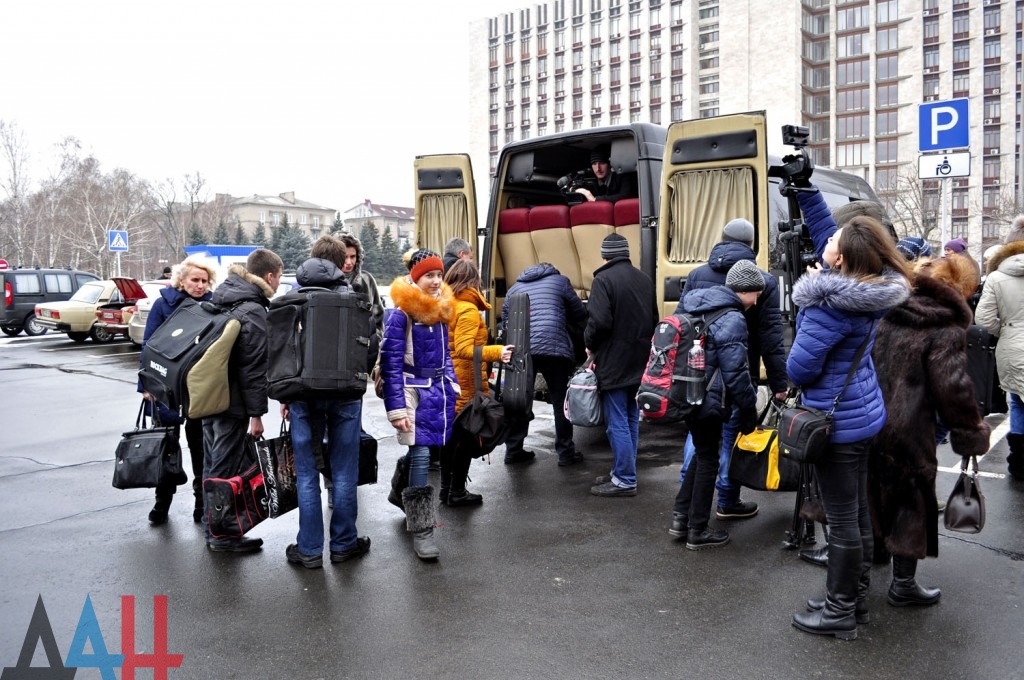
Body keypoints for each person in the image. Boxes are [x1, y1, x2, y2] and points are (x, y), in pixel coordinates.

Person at [787, 185, 911, 640]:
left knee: (843, 521)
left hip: (834, 427)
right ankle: (854, 599)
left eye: (832, 244)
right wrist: (806, 191)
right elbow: (831, 232)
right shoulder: (872, 288)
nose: (826, 242)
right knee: (856, 513)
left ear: (840, 260)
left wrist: (804, 318)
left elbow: (799, 368)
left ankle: (840, 611)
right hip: (862, 416)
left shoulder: (828, 306)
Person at [866, 254, 990, 609]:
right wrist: (970, 431)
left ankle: (876, 552)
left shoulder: (891, 308)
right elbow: (953, 387)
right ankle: (903, 584)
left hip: (872, 414)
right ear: (962, 290)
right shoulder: (945, 327)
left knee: (873, 483)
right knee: (911, 497)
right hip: (910, 425)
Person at [671, 218, 788, 530]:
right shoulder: (763, 282)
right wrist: (779, 383)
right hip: (735, 376)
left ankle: (687, 508)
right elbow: (771, 339)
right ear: (751, 244)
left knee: (699, 443)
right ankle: (724, 502)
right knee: (725, 440)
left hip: (695, 376)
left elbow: (680, 326)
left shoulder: (696, 276)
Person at [279, 237, 371, 569]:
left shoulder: (293, 297)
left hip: (303, 395)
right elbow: (369, 345)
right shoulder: (353, 297)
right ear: (339, 262)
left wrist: (286, 394)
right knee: (344, 471)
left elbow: (281, 350)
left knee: (306, 474)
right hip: (346, 395)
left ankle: (309, 550)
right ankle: (344, 544)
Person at [672, 260, 762, 550]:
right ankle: (697, 531)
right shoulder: (732, 317)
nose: (757, 299)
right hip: (708, 399)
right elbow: (737, 375)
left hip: (685, 392)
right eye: (755, 293)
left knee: (702, 452)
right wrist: (749, 413)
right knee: (710, 459)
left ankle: (679, 520)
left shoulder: (694, 304)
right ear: (743, 290)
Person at [202, 248, 283, 553]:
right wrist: (257, 415)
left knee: (213, 462)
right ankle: (221, 535)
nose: (277, 286)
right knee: (223, 467)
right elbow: (252, 369)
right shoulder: (252, 310)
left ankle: (211, 523)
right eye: (278, 278)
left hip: (211, 397)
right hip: (232, 403)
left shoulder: (224, 296)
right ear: (270, 276)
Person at [381, 248, 458, 559]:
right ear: (416, 278)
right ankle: (423, 528)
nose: (436, 280)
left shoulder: (439, 311)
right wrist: (397, 408)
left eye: (439, 275)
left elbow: (447, 354)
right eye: (429, 275)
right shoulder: (401, 314)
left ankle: (399, 490)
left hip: (438, 391)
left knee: (426, 449)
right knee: (422, 452)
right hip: (413, 392)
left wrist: (452, 381)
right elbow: (390, 363)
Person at [139, 255, 218, 525]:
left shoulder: (212, 306)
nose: (200, 285)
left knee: (201, 448)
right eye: (194, 280)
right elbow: (149, 345)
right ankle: (163, 503)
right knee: (166, 447)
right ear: (181, 280)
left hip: (198, 389)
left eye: (204, 281)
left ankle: (201, 503)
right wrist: (146, 386)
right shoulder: (163, 305)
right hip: (165, 388)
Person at [585, 234, 658, 496]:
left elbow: (599, 322)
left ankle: (625, 479)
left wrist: (589, 343)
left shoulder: (602, 280)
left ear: (605, 255)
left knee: (616, 421)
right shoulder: (644, 280)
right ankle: (624, 470)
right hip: (639, 360)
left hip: (614, 361)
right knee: (630, 418)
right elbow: (654, 320)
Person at [318, 233, 385, 505]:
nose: (348, 262)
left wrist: (373, 346)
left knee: (351, 425)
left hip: (358, 363)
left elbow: (377, 316)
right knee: (327, 429)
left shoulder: (365, 280)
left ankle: (348, 480)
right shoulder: (323, 281)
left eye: (353, 256)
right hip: (328, 365)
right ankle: (334, 484)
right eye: (344, 256)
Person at [501, 262, 589, 466]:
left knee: (520, 399)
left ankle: (513, 450)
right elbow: (580, 314)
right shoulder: (560, 281)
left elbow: (506, 320)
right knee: (560, 401)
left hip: (522, 351)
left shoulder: (514, 288)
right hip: (553, 347)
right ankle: (566, 453)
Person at [442, 259, 513, 504]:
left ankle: (445, 488)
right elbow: (463, 349)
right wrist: (497, 352)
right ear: (473, 282)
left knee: (451, 438)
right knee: (465, 437)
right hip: (466, 382)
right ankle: (457, 492)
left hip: (449, 379)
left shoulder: (446, 304)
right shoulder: (468, 310)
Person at [975, 216, 1024, 480]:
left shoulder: (996, 276)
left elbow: (983, 320)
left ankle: (1019, 463)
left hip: (1012, 348)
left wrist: (1005, 329)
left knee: (1016, 401)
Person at [572, 148, 638, 203]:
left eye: (602, 163)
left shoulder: (622, 177)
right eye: (594, 164)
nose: (598, 169)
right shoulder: (589, 180)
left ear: (609, 164)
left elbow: (625, 195)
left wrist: (595, 199)